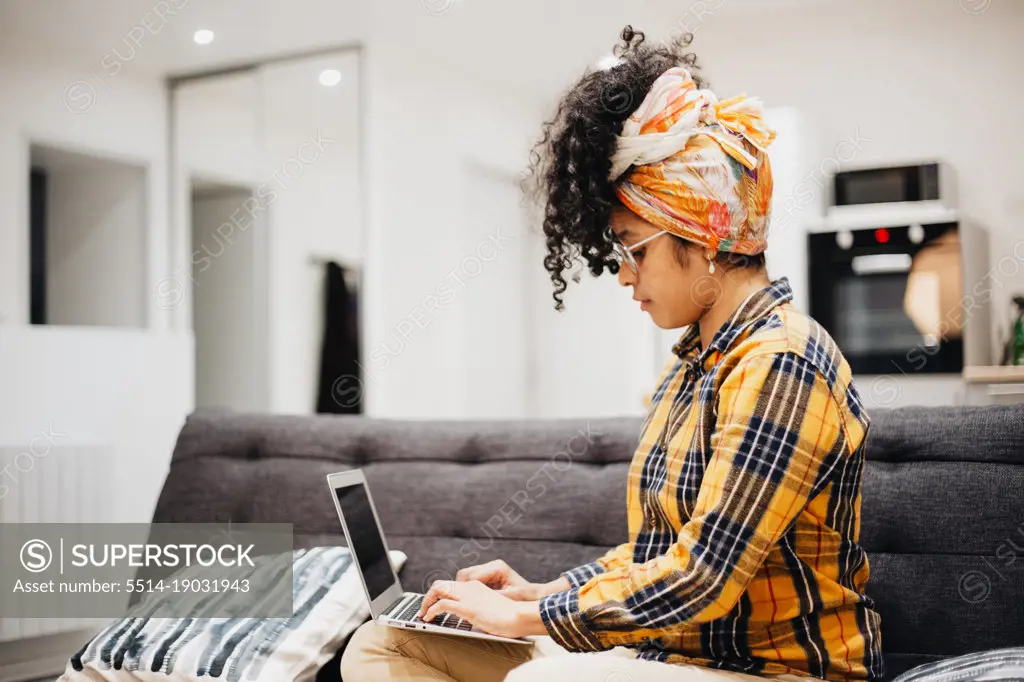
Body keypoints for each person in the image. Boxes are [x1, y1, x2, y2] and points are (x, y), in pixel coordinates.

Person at [341, 25, 883, 682]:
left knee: (545, 675)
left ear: (703, 233)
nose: (622, 275)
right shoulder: (693, 369)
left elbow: (703, 576)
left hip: (774, 672)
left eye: (633, 249)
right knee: (385, 646)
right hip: (665, 658)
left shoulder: (782, 361)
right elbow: (656, 553)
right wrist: (541, 593)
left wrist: (534, 621)